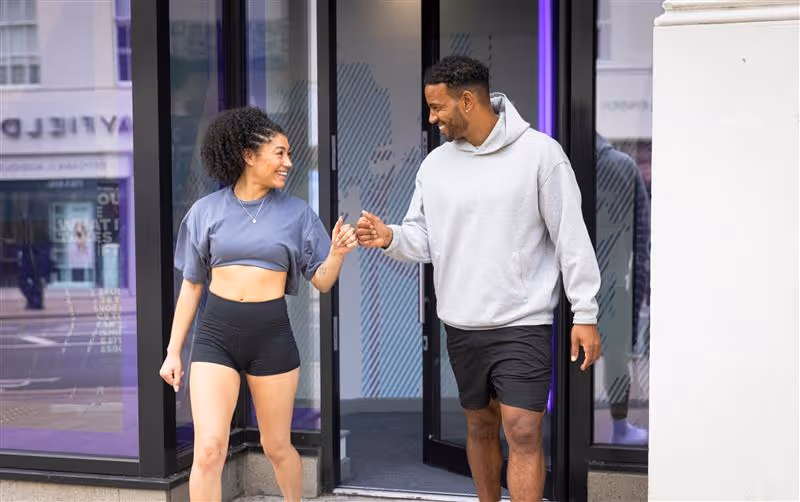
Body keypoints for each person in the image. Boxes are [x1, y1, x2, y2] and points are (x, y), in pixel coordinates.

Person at [356, 56, 602, 502]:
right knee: (480, 425)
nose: (431, 119)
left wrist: (584, 311)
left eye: (437, 107)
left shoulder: (540, 155)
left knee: (523, 429)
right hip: (462, 325)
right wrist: (390, 236)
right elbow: (423, 236)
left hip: (522, 322)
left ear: (467, 100)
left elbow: (571, 238)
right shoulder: (434, 165)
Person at [159, 107, 357, 502]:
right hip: (215, 336)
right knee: (210, 449)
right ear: (249, 155)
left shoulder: (298, 213)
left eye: (289, 154)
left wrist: (336, 253)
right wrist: (173, 352)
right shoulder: (206, 211)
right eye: (279, 153)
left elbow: (321, 279)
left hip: (272, 338)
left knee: (277, 446)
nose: (289, 162)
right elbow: (192, 287)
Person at [595, 133, 650, 445]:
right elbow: (640, 236)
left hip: (570, 281)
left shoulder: (559, 164)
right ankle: (619, 428)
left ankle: (616, 428)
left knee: (570, 354)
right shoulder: (623, 166)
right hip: (614, 280)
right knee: (616, 356)